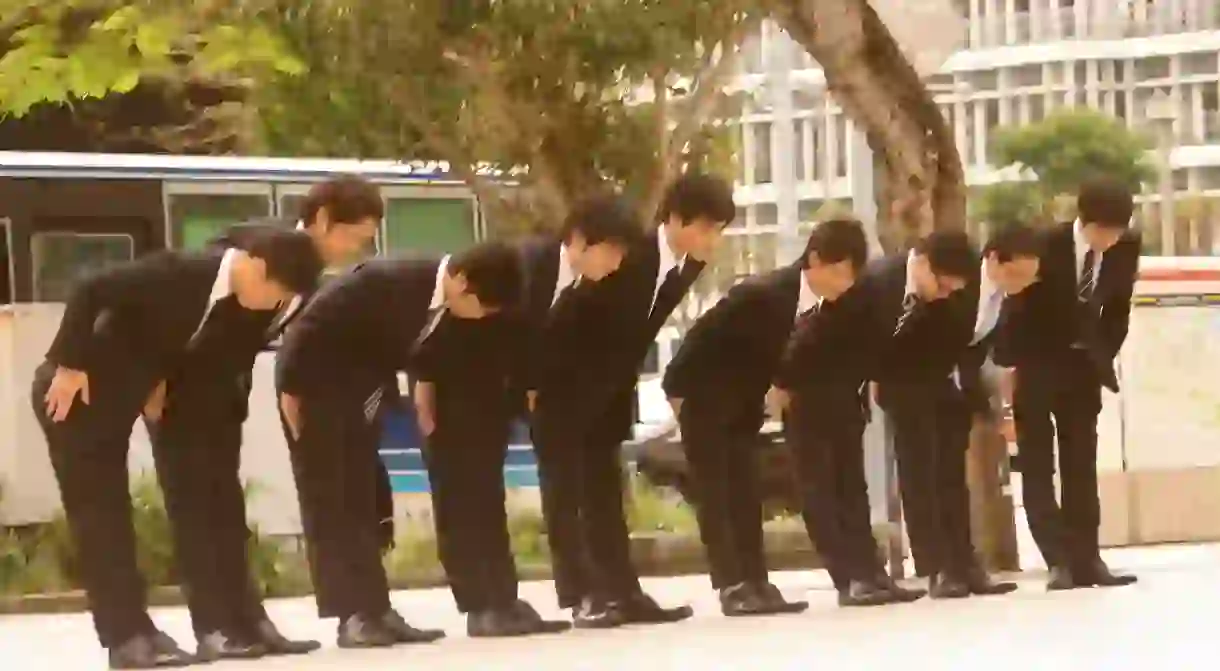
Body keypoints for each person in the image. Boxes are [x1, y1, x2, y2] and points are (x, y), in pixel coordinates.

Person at [31, 229, 322, 669]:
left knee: (136, 508)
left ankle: (150, 632)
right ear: (257, 269)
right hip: (76, 391)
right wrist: (69, 365)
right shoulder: (181, 270)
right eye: (276, 296)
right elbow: (90, 289)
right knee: (101, 515)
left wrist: (157, 382)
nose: (273, 309)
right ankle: (125, 638)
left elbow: (168, 337)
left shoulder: (228, 301)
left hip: (129, 392)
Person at [146, 176, 383, 661]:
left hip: (223, 396)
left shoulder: (310, 280)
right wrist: (154, 378)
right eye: (354, 236)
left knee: (227, 512)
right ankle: (213, 625)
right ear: (321, 220)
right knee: (196, 512)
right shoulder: (249, 246)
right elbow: (171, 298)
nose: (357, 249)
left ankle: (249, 621)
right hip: (176, 393)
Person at [275, 241, 522, 647]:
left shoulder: (439, 298)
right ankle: (352, 614)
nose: (481, 317)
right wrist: (289, 388)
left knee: (362, 498)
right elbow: (307, 326)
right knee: (332, 500)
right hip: (316, 390)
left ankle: (376, 609)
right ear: (461, 281)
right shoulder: (385, 281)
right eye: (482, 306)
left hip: (362, 395)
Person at [414, 193, 639, 638]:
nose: (615, 265)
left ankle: (505, 598)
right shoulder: (521, 264)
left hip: (503, 389)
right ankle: (481, 604)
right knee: (465, 495)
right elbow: (453, 322)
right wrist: (425, 385)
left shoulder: (583, 285)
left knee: (497, 494)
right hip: (457, 383)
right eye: (610, 252)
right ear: (576, 240)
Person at [531, 173, 734, 628]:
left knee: (605, 497)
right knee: (568, 497)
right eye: (707, 227)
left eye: (719, 230)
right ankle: (583, 595)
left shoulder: (682, 264)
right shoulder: (630, 254)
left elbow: (643, 324)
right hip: (567, 389)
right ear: (676, 219)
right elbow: (571, 314)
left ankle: (622, 591)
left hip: (611, 393)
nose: (713, 240)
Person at [662, 219, 870, 617]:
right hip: (706, 399)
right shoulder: (764, 293)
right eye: (840, 273)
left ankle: (757, 581)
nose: (844, 285)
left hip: (743, 406)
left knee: (744, 492)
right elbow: (701, 335)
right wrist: (674, 387)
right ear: (815, 260)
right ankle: (731, 585)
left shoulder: (814, 304)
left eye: (851, 277)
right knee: (716, 494)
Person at [876, 226, 1039, 599]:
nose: (1020, 285)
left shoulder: (1000, 296)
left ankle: (965, 564)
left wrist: (983, 405)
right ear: (994, 260)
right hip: (911, 386)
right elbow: (920, 337)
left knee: (951, 478)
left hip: (950, 391)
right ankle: (936, 568)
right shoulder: (958, 285)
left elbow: (975, 349)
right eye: (1015, 275)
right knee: (921, 478)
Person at [995, 177, 1141, 591]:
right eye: (1104, 231)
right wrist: (1009, 370)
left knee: (1081, 464)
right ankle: (1057, 560)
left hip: (1082, 369)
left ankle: (1088, 558)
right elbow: (1015, 308)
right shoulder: (1044, 245)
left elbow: (1118, 309)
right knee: (1039, 464)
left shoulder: (1125, 248)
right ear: (1085, 222)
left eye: (1118, 232)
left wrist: (1101, 354)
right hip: (1036, 363)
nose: (1110, 241)